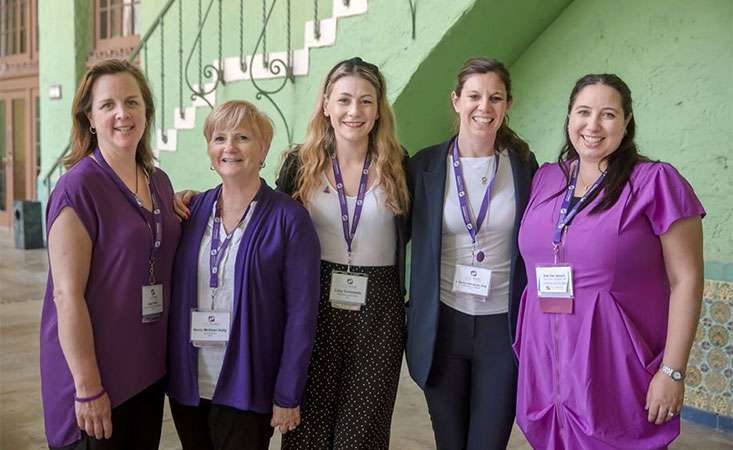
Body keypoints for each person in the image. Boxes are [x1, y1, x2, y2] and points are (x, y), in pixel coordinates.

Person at [514, 74, 705, 449]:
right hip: (547, 366)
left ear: (627, 122)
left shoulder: (655, 181)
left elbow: (687, 280)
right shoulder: (546, 178)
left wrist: (672, 371)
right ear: (569, 117)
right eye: (583, 112)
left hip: (615, 368)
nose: (593, 125)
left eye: (608, 114)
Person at [40, 59, 181, 450]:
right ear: (89, 117)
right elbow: (66, 296)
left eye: (132, 102)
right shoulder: (77, 188)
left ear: (146, 112)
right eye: (108, 105)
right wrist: (87, 387)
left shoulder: (159, 182)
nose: (123, 114)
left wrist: (187, 202)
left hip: (146, 371)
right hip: (94, 378)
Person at [166, 100, 321, 450]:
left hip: (250, 383)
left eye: (242, 138)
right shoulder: (191, 210)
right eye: (219, 138)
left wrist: (288, 391)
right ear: (209, 149)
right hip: (191, 383)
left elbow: (301, 314)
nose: (229, 148)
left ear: (263, 147)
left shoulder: (290, 219)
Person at [275, 57, 410, 449]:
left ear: (379, 108)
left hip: (379, 309)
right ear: (327, 105)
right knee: (307, 427)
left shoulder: (399, 164)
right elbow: (269, 222)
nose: (355, 111)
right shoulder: (299, 164)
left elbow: (417, 229)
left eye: (366, 101)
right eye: (345, 100)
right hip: (313, 302)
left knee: (362, 432)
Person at [405, 57, 538, 450]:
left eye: (495, 98)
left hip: (502, 328)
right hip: (442, 324)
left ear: (507, 104)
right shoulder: (424, 166)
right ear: (456, 100)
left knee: (488, 442)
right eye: (475, 96)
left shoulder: (524, 167)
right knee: (450, 442)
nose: (485, 107)